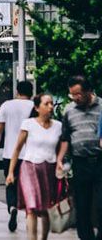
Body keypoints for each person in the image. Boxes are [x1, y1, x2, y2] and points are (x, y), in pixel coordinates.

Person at [6, 94, 61, 240]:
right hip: (30, 168)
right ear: (37, 108)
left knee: (46, 208)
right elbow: (17, 149)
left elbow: (60, 150)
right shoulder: (28, 124)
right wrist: (11, 172)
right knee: (32, 207)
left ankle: (43, 238)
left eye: (51, 104)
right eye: (46, 104)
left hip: (49, 169)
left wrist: (60, 163)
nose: (50, 107)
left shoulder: (58, 126)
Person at [57, 75, 102, 240]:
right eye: (72, 95)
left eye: (78, 94)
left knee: (100, 203)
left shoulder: (101, 107)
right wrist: (60, 160)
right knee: (82, 205)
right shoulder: (69, 110)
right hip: (80, 162)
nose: (75, 98)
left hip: (100, 161)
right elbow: (65, 138)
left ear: (89, 91)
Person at [0, 80, 34, 232]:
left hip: (10, 154)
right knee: (28, 186)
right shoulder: (34, 106)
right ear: (31, 92)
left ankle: (12, 207)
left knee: (11, 184)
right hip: (30, 155)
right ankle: (30, 214)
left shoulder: (7, 105)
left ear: (17, 91)